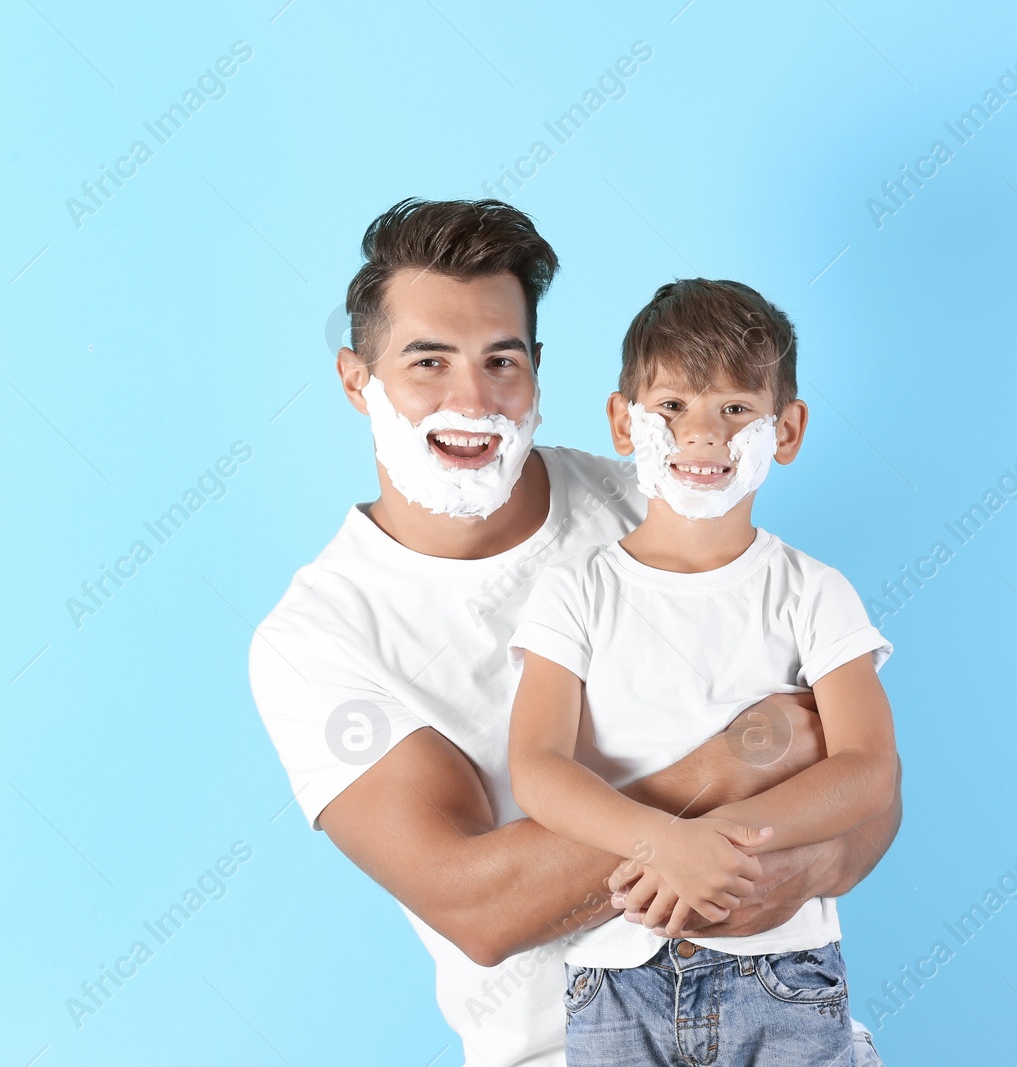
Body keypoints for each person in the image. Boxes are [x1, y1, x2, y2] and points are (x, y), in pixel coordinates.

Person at [248, 198, 900, 1067]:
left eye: (501, 360)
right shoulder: (318, 636)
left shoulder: (663, 495)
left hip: (778, 1015)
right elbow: (479, 904)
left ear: (539, 377)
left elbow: (871, 795)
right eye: (427, 361)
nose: (471, 397)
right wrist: (735, 761)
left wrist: (801, 870)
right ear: (355, 379)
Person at [507, 278, 899, 1064]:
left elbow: (867, 767)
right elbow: (538, 766)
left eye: (735, 409)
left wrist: (723, 838)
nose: (705, 436)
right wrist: (659, 842)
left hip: (784, 971)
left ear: (785, 429)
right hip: (618, 976)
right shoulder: (576, 591)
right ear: (624, 421)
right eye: (674, 407)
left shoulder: (813, 592)